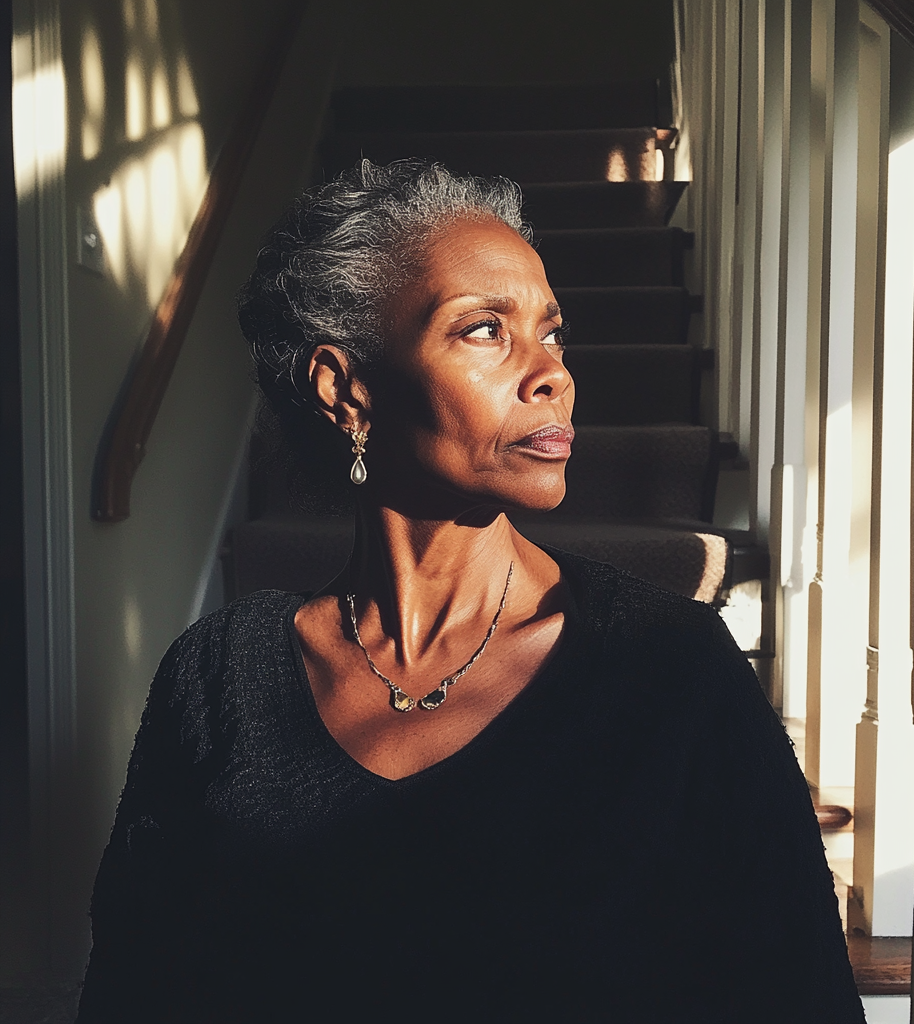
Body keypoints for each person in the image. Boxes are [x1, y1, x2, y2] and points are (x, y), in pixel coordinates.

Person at [76, 159, 865, 1023]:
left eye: (552, 332)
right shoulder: (216, 676)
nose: (552, 373)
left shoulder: (672, 667)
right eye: (485, 330)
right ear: (345, 389)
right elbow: (135, 985)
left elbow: (802, 993)